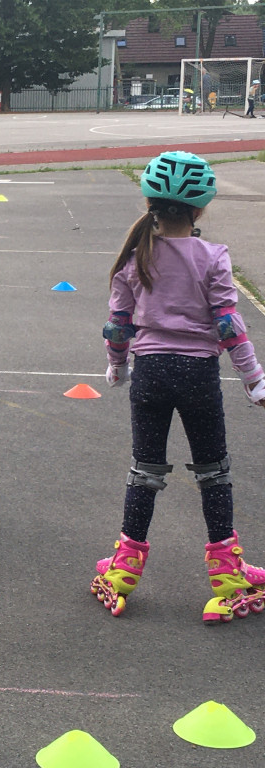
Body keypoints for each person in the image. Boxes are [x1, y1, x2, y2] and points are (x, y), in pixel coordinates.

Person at [91, 151, 265, 624]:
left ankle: (124, 569)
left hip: (149, 374)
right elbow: (229, 324)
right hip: (197, 375)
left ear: (151, 201)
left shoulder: (134, 256)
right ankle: (227, 575)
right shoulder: (212, 257)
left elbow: (118, 326)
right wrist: (254, 379)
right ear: (200, 208)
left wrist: (118, 367)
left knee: (145, 470)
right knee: (213, 471)